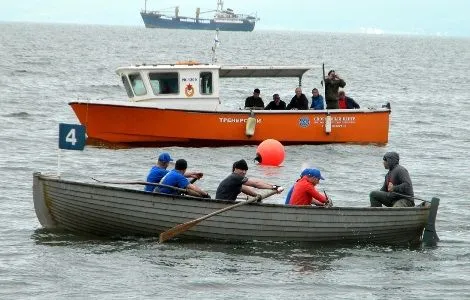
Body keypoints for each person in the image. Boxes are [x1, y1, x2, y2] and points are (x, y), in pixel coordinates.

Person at [215, 159, 281, 201]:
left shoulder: (235, 180)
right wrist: (273, 187)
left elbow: (244, 189)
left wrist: (257, 196)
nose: (244, 172)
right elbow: (255, 184)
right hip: (222, 205)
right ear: (235, 169)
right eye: (241, 169)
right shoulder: (235, 177)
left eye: (245, 170)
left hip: (224, 204)